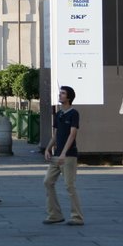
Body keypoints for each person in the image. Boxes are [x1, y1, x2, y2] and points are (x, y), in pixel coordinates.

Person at [43, 85, 84, 226]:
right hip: (56, 156)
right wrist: (48, 149)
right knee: (48, 182)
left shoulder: (74, 114)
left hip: (69, 155)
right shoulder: (59, 114)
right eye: (60, 93)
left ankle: (77, 217)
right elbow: (55, 134)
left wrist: (64, 153)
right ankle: (55, 214)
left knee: (69, 185)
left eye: (63, 93)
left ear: (69, 97)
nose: (60, 95)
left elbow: (73, 134)